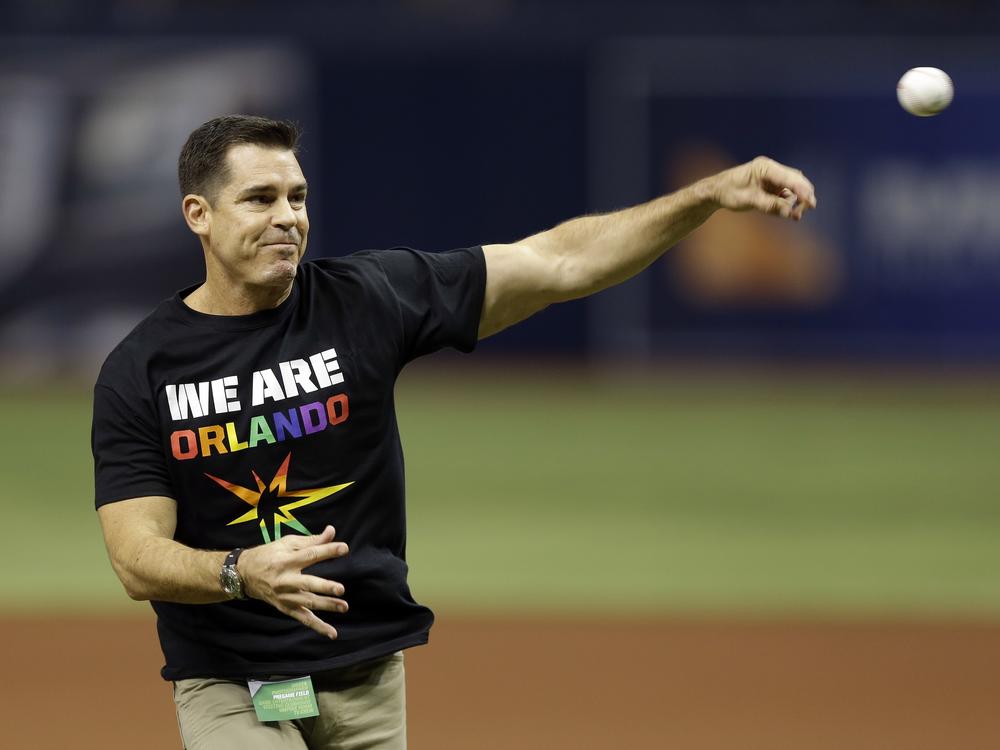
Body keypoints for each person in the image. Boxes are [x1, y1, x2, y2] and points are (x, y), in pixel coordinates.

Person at [92, 114, 816, 750]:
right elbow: (135, 556)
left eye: (298, 197)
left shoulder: (364, 302)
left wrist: (707, 196)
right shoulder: (143, 369)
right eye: (260, 198)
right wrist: (237, 572)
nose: (288, 217)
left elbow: (560, 261)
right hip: (230, 680)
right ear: (198, 214)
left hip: (366, 671)